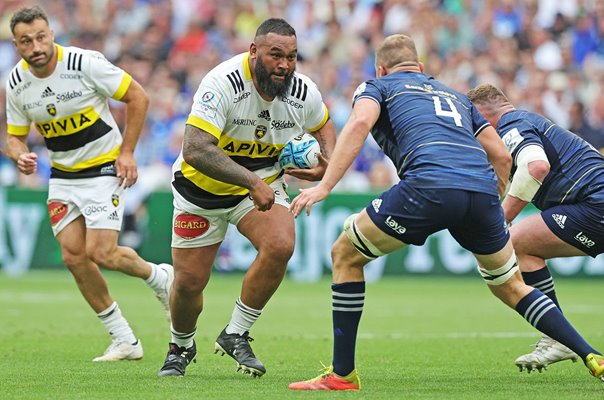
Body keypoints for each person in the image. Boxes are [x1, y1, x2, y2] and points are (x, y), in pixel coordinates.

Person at [287, 34, 604, 391]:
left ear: (381, 67)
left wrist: (326, 185)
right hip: (480, 191)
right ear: (421, 68)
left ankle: (342, 375)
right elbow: (500, 155)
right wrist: (493, 197)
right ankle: (590, 353)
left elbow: (359, 124)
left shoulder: (377, 86)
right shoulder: (455, 94)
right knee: (511, 285)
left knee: (344, 255)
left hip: (428, 185)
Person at [157, 18, 336, 377]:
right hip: (201, 190)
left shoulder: (303, 92)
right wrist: (251, 182)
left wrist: (325, 165)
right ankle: (181, 345)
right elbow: (195, 149)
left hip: (260, 186)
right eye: (275, 56)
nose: (284, 65)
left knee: (281, 244)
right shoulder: (222, 83)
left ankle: (236, 332)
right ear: (253, 52)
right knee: (190, 283)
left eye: (291, 57)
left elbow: (323, 123)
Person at [4, 6, 174, 362]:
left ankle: (159, 277)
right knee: (73, 256)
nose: (35, 46)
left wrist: (127, 152)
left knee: (102, 253)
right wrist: (18, 154)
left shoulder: (84, 64)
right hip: (63, 177)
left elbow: (137, 96)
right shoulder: (16, 83)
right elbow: (15, 137)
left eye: (40, 37)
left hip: (103, 170)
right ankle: (124, 339)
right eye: (25, 41)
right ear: (16, 45)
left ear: (51, 34)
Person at [467, 83, 604, 373]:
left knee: (514, 242)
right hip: (592, 204)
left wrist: (501, 218)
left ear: (483, 116)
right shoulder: (528, 122)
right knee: (525, 251)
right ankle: (557, 337)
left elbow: (535, 167)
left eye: (474, 124)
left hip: (595, 205)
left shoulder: (511, 125)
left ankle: (558, 337)